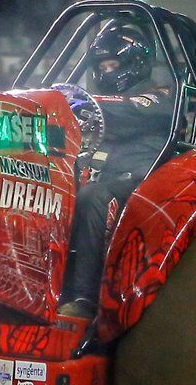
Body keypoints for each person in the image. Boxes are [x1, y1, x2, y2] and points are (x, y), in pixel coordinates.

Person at [60, 22, 173, 318]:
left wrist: (79, 101)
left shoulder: (161, 96)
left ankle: (83, 300)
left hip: (143, 186)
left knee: (92, 197)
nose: (105, 71)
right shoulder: (94, 105)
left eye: (112, 64)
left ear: (134, 64)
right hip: (98, 176)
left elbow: (129, 110)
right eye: (102, 65)